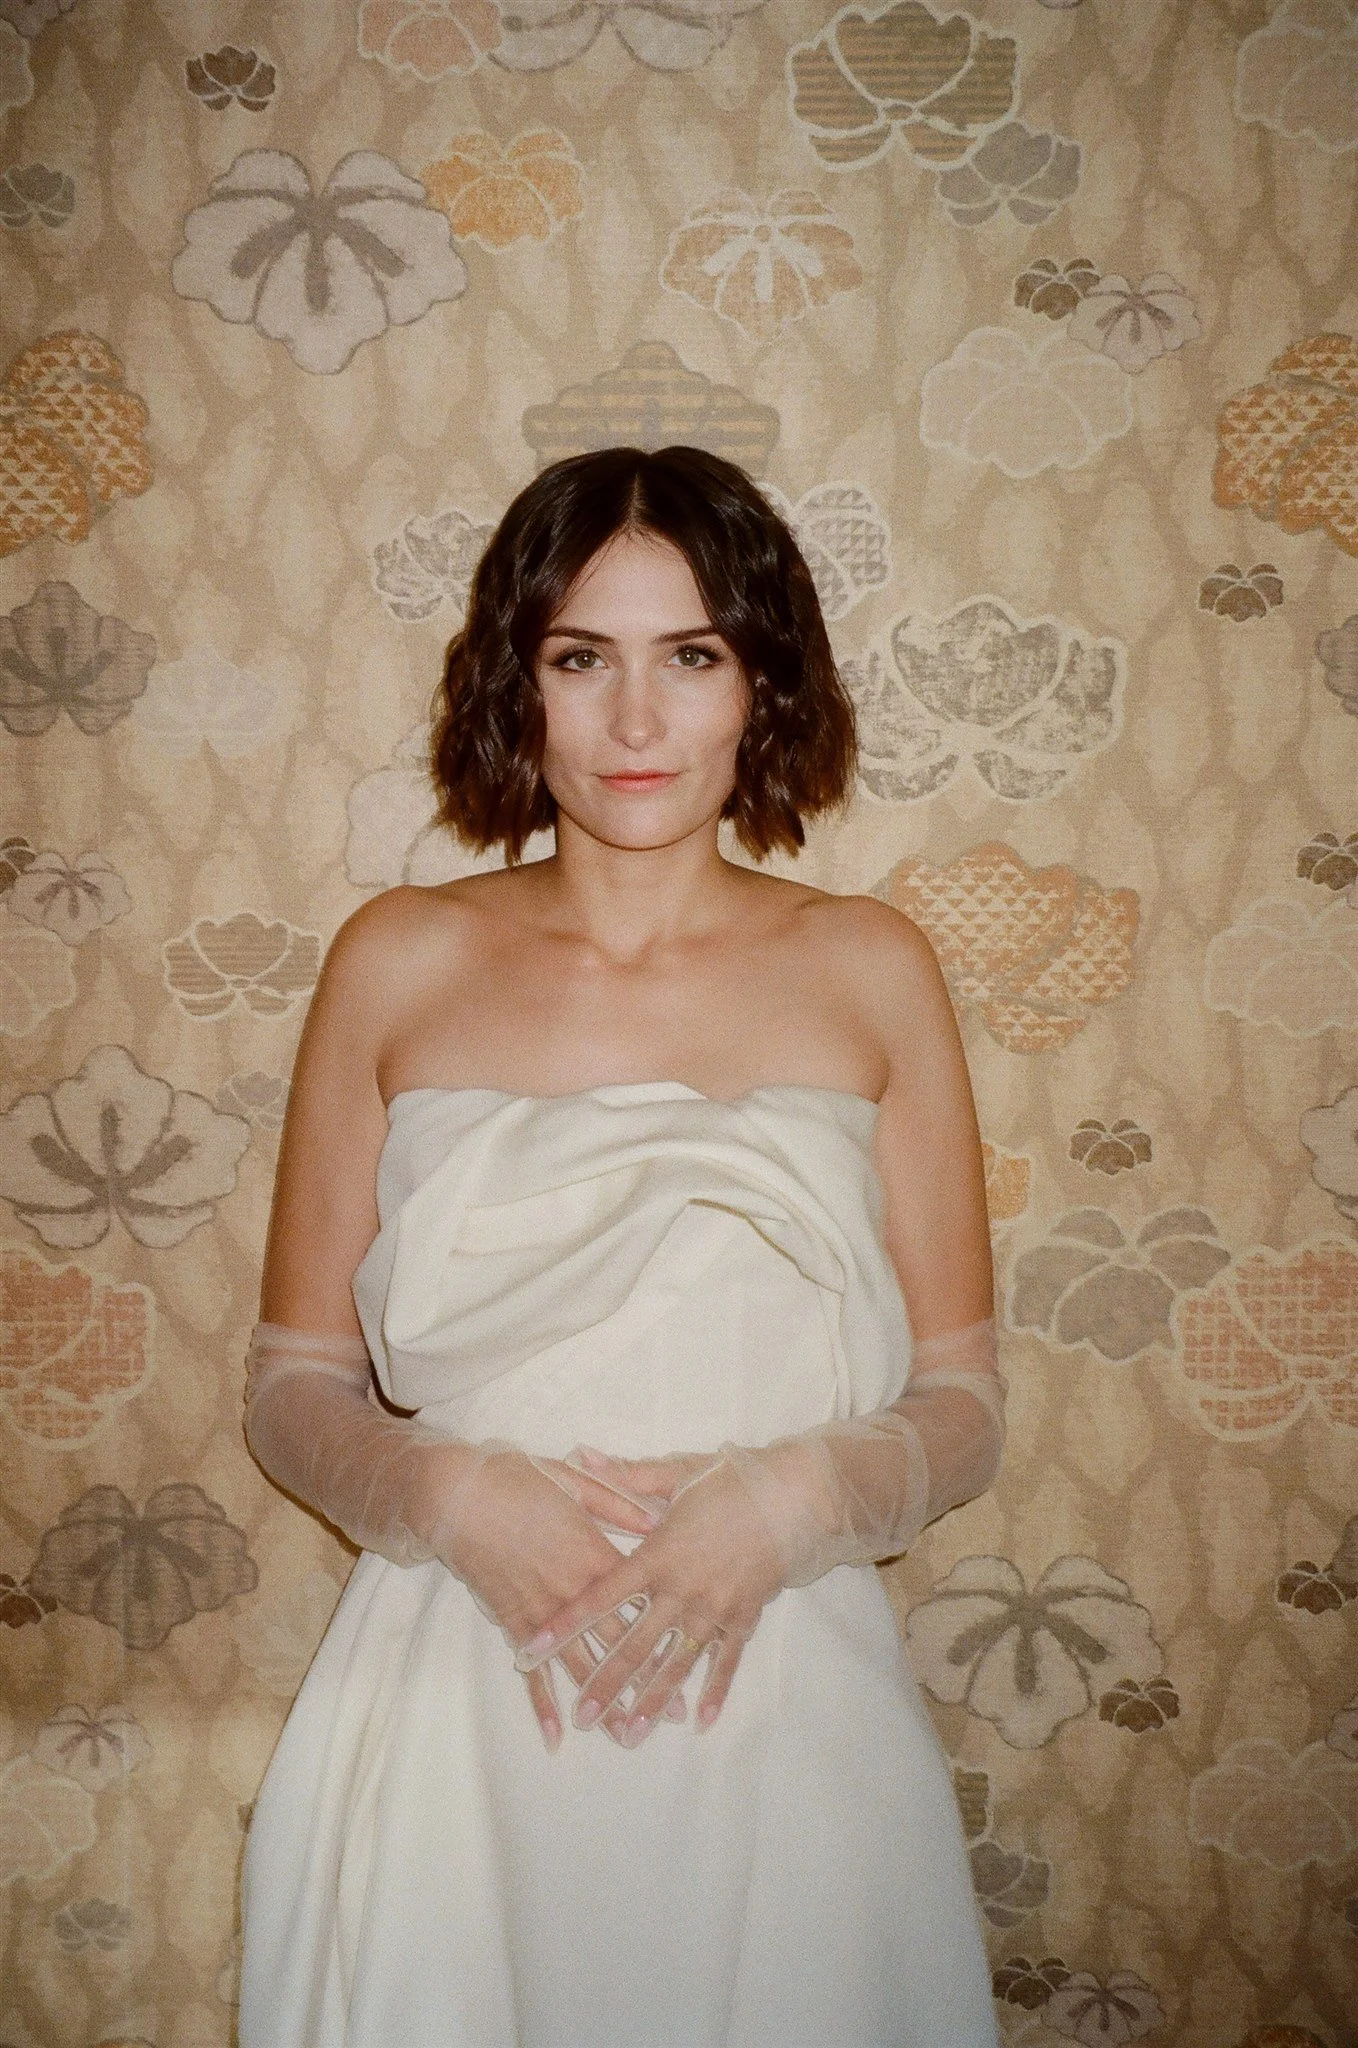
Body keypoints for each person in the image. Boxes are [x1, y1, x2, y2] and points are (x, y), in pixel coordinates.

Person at [238, 445, 1004, 2047]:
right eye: (581, 658)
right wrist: (447, 1495)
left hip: (784, 1685)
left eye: (692, 658)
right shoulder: (394, 956)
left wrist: (790, 1503)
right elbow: (295, 1375)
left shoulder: (872, 968)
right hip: (456, 1678)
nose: (637, 724)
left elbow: (961, 1394)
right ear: (517, 682)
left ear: (761, 685)